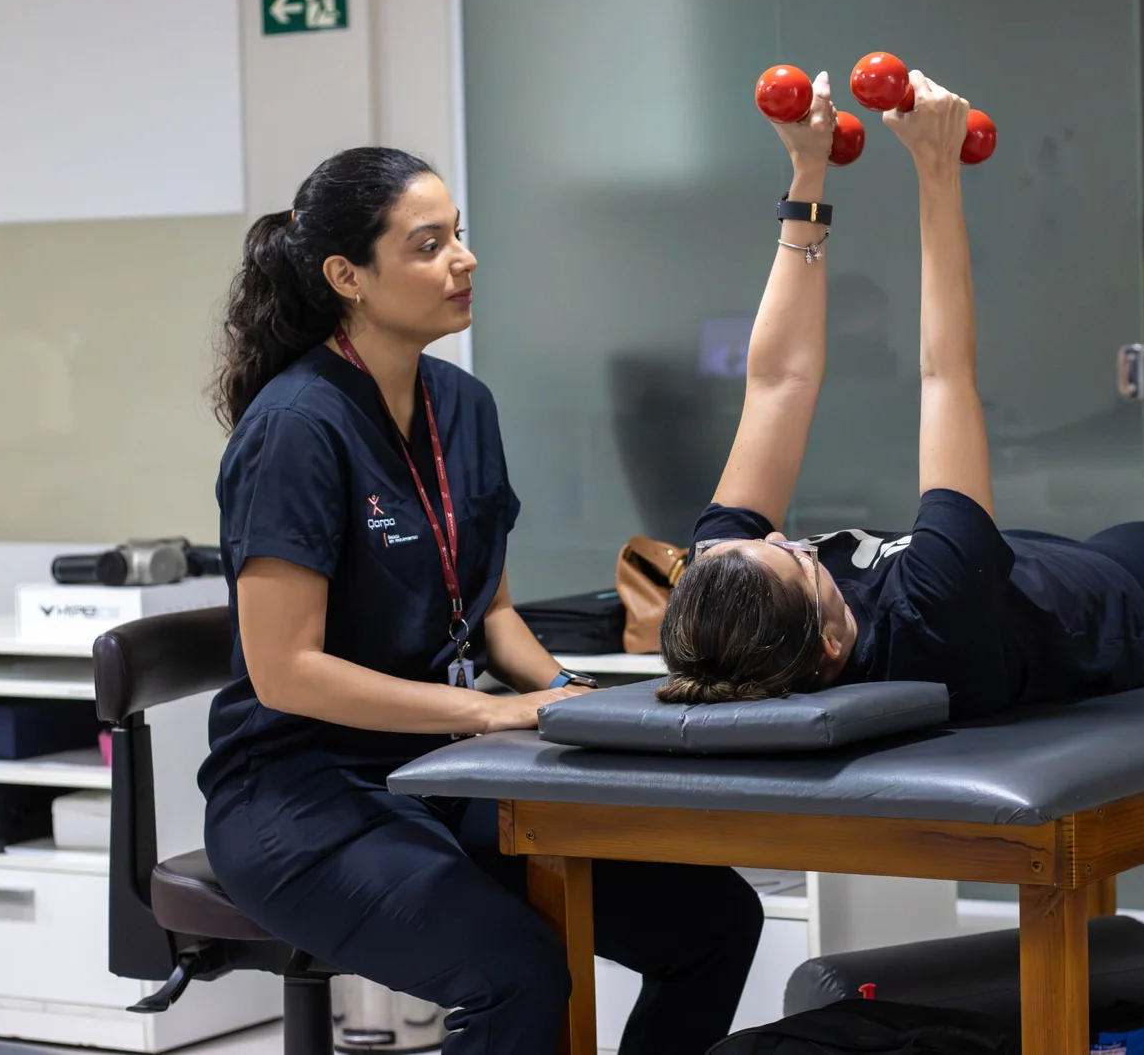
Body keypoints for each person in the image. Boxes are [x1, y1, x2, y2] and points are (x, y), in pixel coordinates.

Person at [197, 147, 763, 1055]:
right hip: (303, 795)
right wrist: (494, 714)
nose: (463, 259)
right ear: (348, 276)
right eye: (428, 245)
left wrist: (570, 696)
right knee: (518, 977)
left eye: (458, 235)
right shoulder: (296, 427)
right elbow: (285, 671)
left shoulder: (462, 405)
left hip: (445, 769)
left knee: (714, 922)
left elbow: (491, 613)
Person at [658, 71, 1144, 716]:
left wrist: (807, 172)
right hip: (1119, 608)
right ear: (831, 644)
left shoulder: (729, 599)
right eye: (795, 558)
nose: (780, 537)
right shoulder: (929, 619)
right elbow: (946, 373)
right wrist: (937, 168)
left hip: (1023, 569)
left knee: (1120, 550)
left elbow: (778, 383)